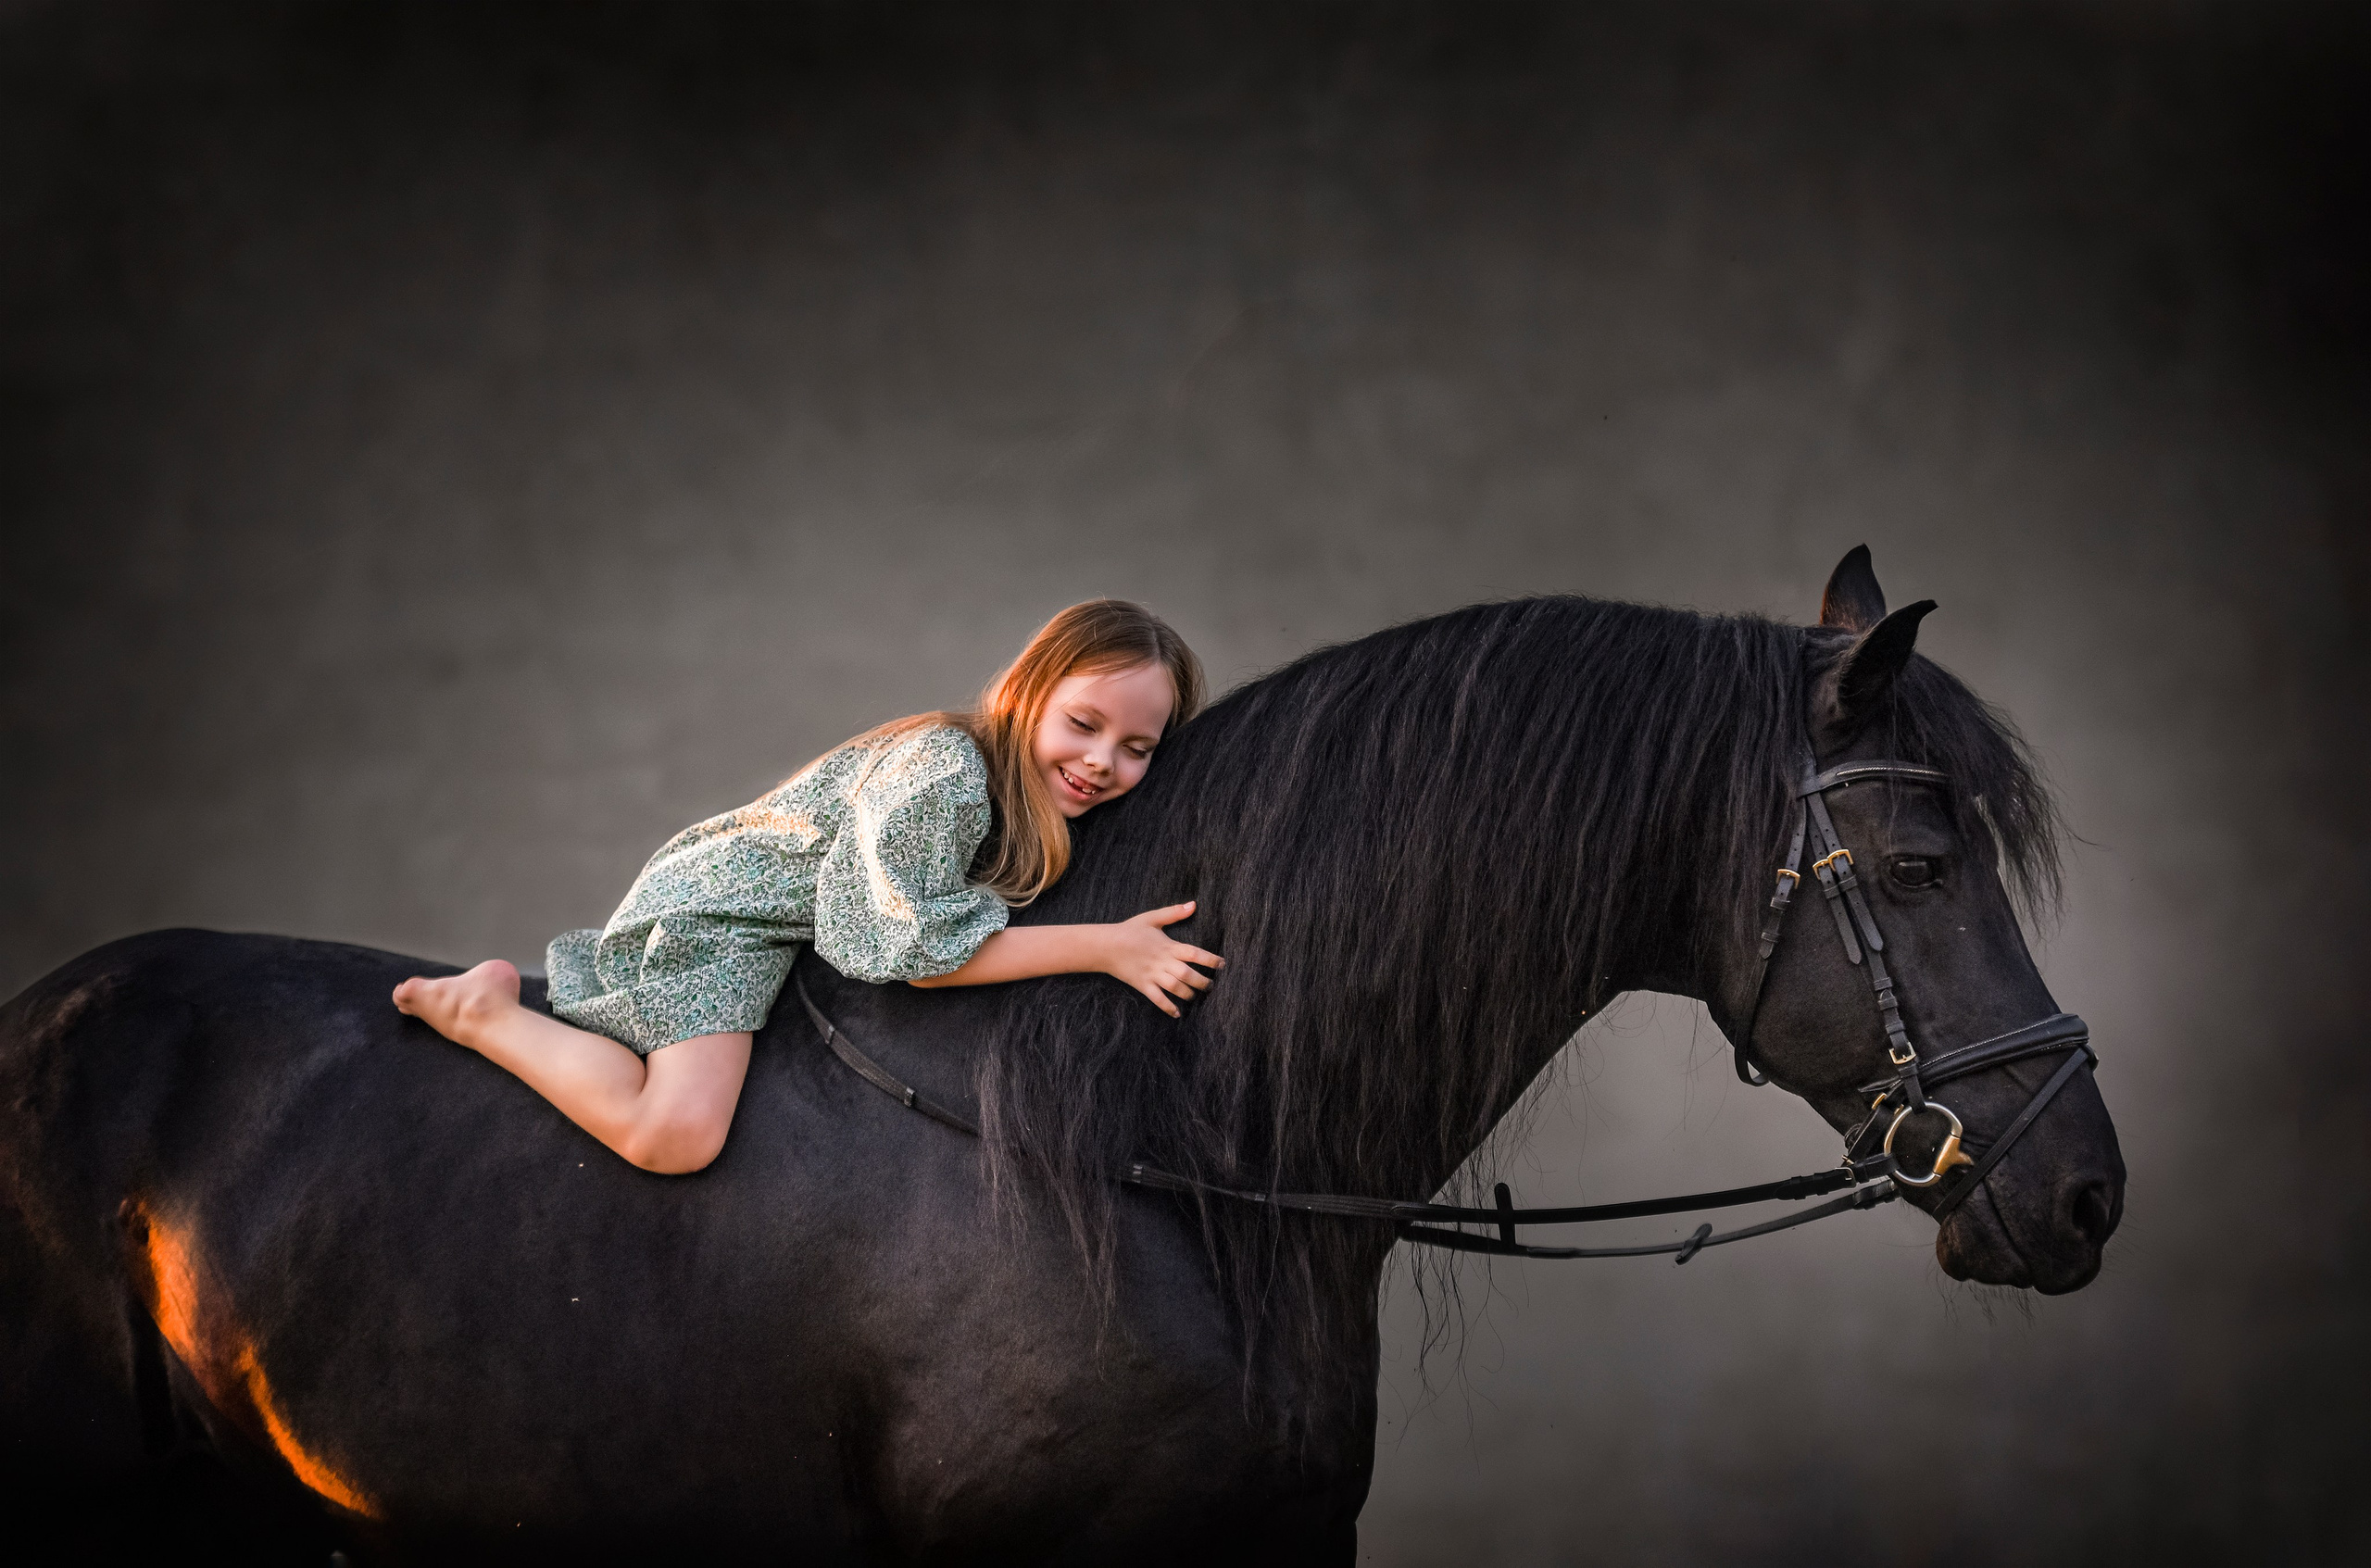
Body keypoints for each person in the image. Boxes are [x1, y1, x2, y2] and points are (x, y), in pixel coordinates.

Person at [391, 599, 1219, 1173]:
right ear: (1027, 692)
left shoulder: (1036, 801)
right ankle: (481, 1013)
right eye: (1083, 723)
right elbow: (921, 953)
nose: (1103, 761)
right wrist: (1108, 947)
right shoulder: (947, 775)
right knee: (673, 1134)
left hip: (794, 933)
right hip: (722, 918)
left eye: (1138, 747)